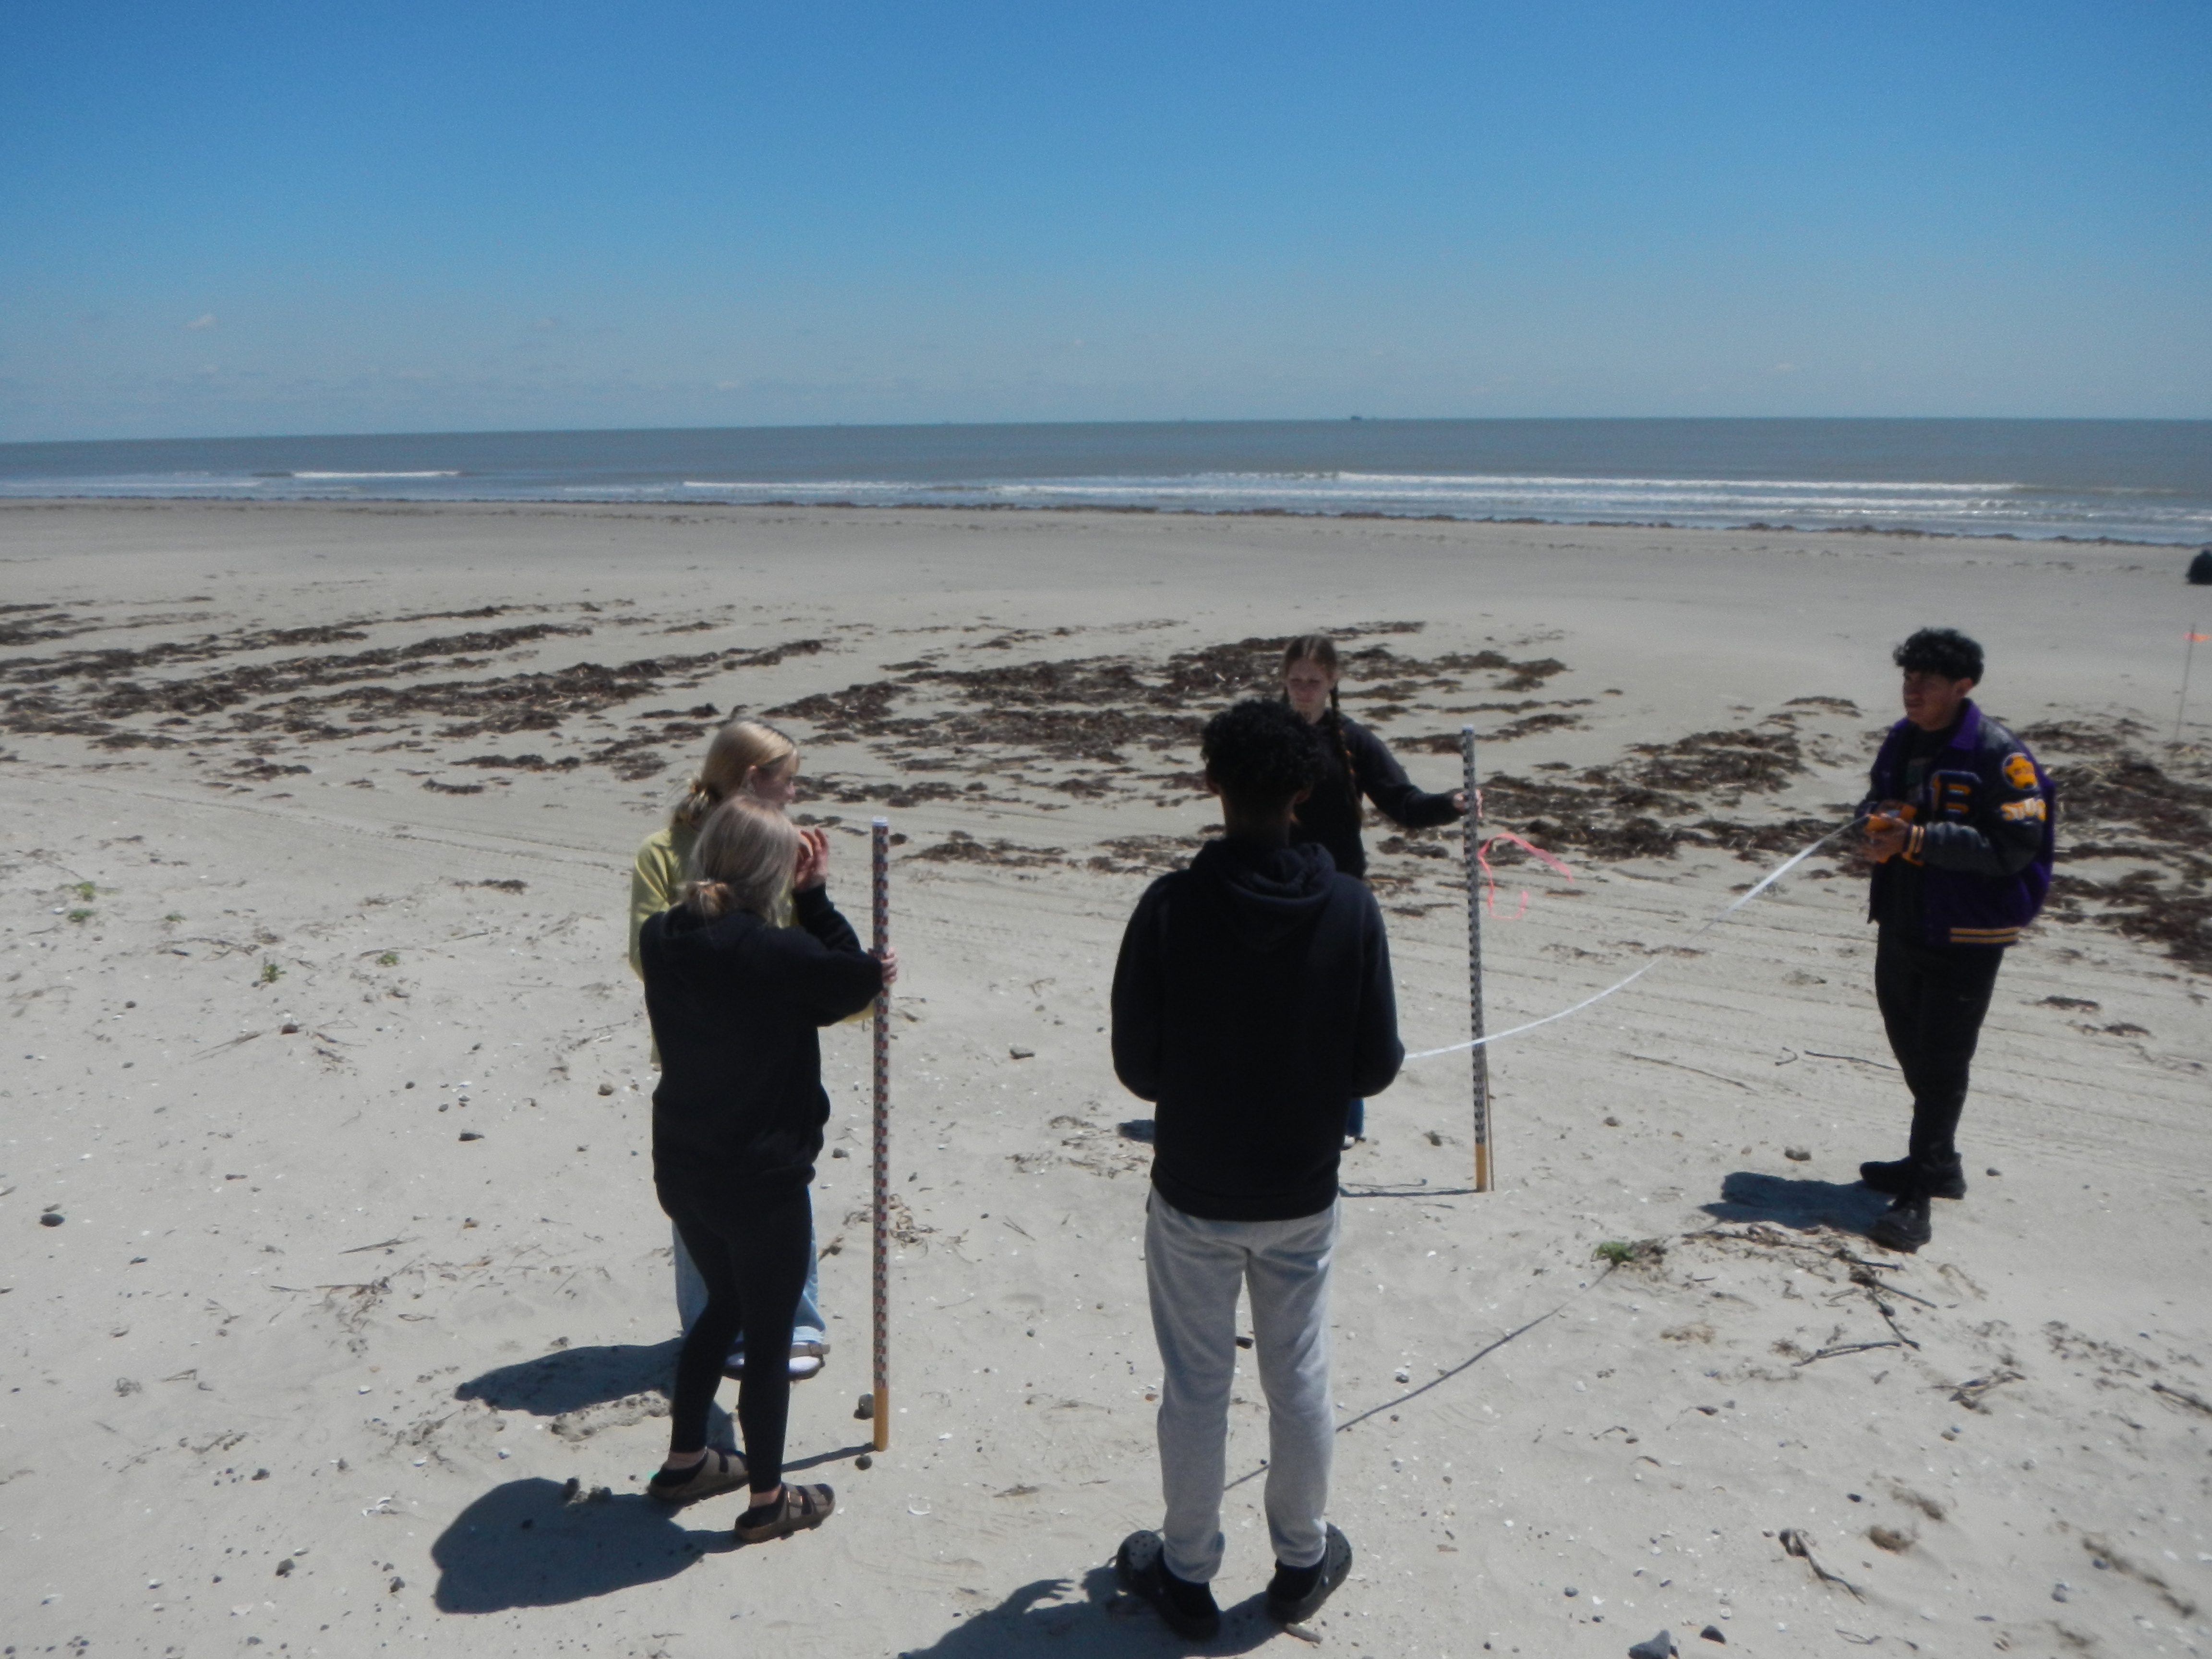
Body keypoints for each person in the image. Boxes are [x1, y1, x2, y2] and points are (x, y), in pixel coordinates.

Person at [1108, 698, 1404, 1637]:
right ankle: (1298, 1557)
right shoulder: (1349, 908)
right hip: (1296, 1188)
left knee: (1198, 1385)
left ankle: (1189, 1569)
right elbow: (1375, 1065)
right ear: (1304, 794)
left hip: (1198, 1188)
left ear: (1212, 785)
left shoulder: (1170, 906)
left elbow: (1138, 1067)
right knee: (1296, 1373)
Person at [636, 796, 894, 1540]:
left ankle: (687, 1461)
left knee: (724, 1305)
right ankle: (768, 1501)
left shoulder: (663, 936)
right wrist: (816, 899)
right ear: (773, 872)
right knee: (770, 1335)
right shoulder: (775, 952)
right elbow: (856, 981)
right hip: (759, 1177)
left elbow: (843, 977)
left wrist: (826, 932)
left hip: (684, 1163)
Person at [628, 719, 832, 1382]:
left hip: (775, 1051)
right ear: (752, 779)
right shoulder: (664, 852)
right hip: (695, 1049)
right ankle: (715, 1323)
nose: (795, 792)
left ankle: (796, 1320)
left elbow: (806, 949)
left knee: (781, 1174)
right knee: (698, 1184)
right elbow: (647, 950)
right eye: (788, 779)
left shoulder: (785, 845)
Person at [1854, 627, 2055, 1253]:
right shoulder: (1903, 738)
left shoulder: (2000, 756)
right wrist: (1876, 821)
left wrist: (1917, 840)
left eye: (1929, 681)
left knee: (1943, 1061)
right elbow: (1876, 799)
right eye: (1908, 678)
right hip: (1902, 917)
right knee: (1909, 1043)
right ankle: (1937, 1162)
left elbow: (2013, 848)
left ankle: (1918, 1197)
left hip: (1967, 928)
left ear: (1962, 687)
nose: (1913, 691)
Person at [1280, 633, 1463, 1142]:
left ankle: (1344, 1120)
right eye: (1295, 681)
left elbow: (1402, 802)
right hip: (1276, 887)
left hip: (1338, 890)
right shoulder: (1268, 734)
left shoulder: (1354, 742)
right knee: (1280, 1004)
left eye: (1314, 681)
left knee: (1340, 1005)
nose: (1304, 690)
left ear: (1333, 681)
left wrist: (1449, 805)